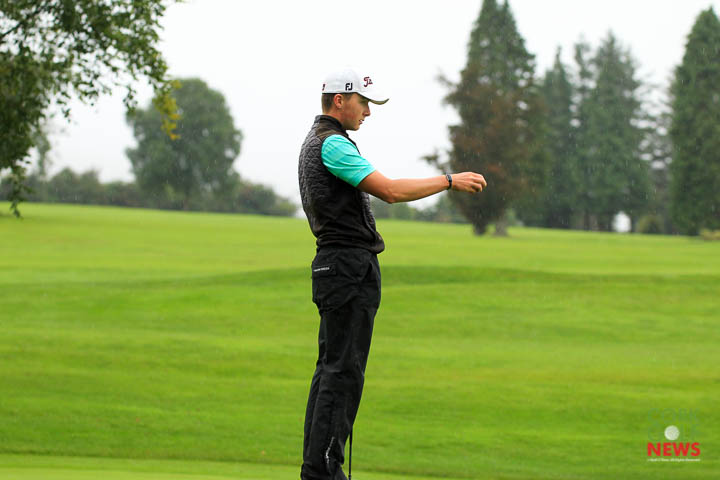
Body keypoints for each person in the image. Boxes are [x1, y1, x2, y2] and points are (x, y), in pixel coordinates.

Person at [298, 67, 487, 480]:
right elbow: (391, 191)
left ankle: (318, 468)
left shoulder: (319, 141)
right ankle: (323, 471)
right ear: (339, 101)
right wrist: (449, 180)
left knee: (331, 369)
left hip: (337, 266)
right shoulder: (332, 144)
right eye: (363, 103)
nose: (367, 112)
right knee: (343, 372)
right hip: (347, 268)